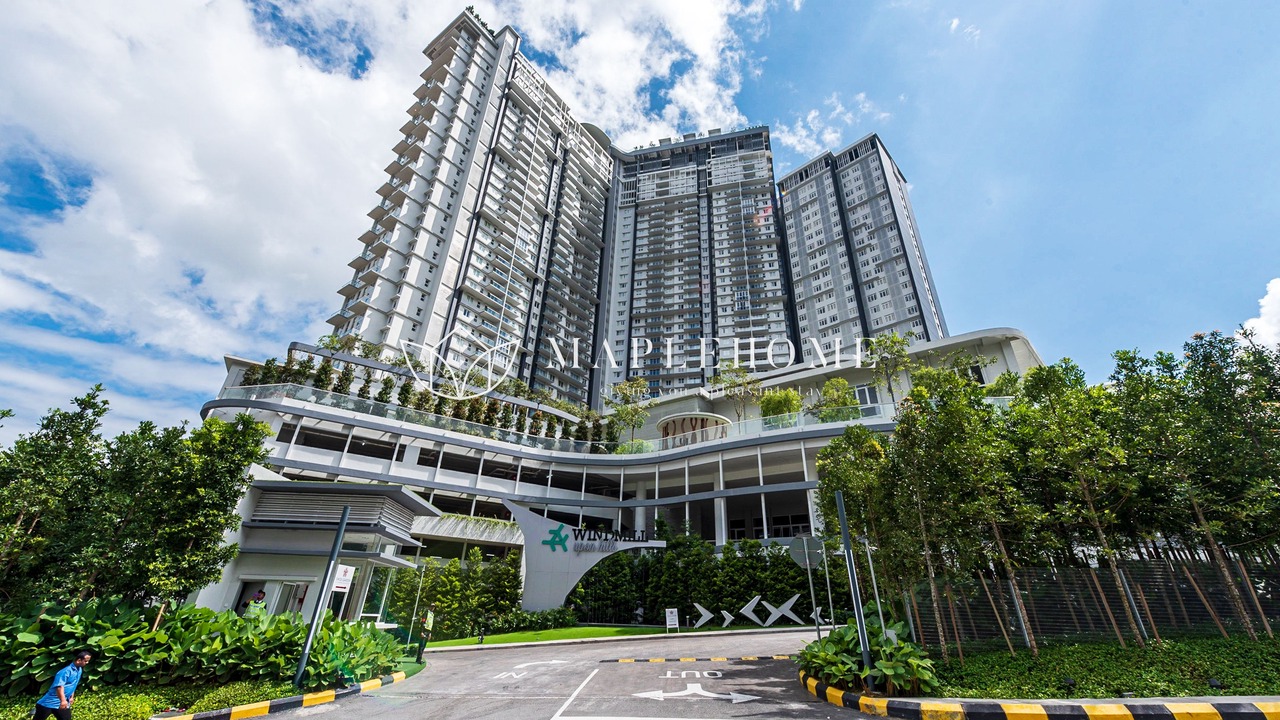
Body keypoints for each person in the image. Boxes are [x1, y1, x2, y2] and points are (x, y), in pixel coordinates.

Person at [33, 650, 91, 720]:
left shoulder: (79, 670)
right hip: (48, 703)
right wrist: (63, 701)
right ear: (79, 660)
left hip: (62, 703)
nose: (87, 663)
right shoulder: (65, 671)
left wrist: (71, 697)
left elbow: (73, 684)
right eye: (86, 661)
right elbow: (59, 687)